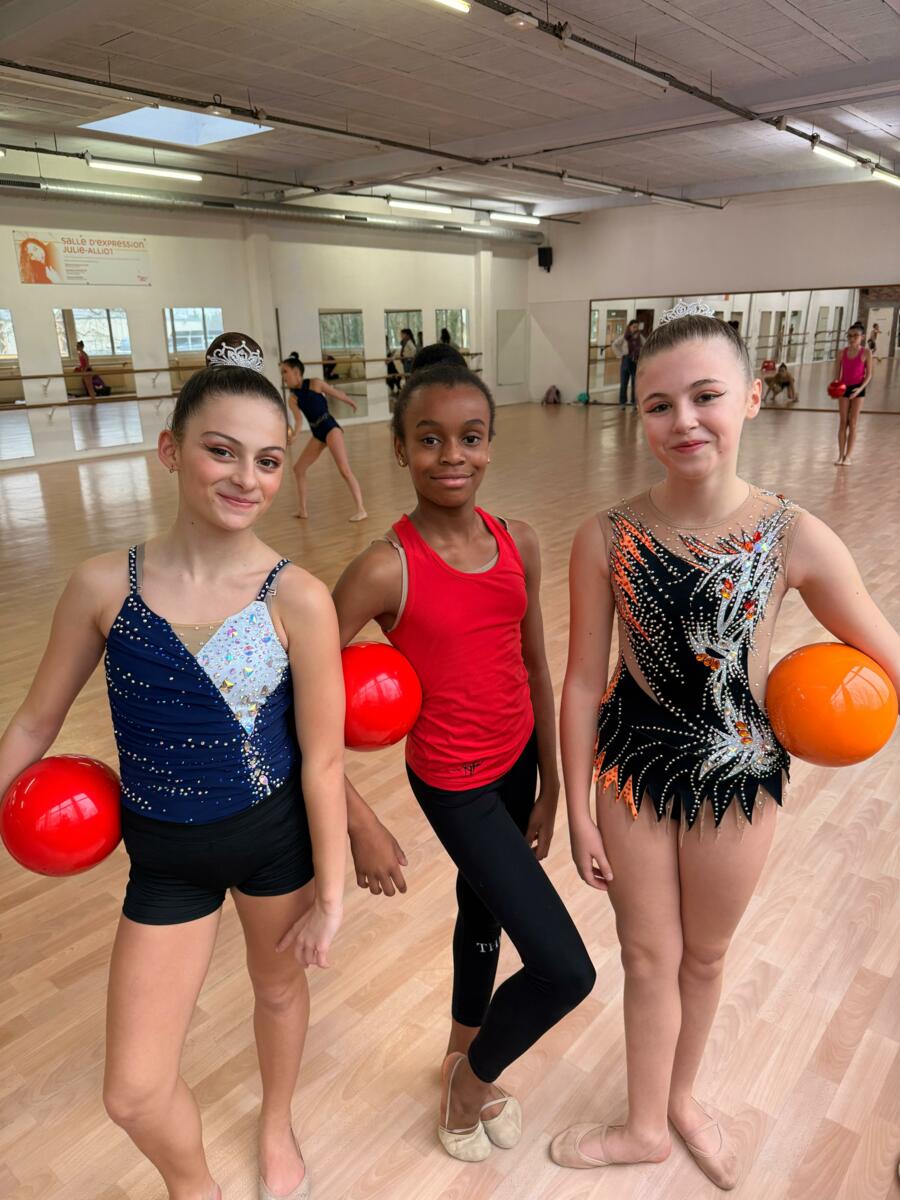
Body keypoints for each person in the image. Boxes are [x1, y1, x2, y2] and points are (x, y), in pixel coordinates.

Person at [552, 308, 900, 1189]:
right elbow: (582, 682)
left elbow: (882, 648)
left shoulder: (792, 535)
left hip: (739, 777)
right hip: (630, 771)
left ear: (751, 397)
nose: (684, 421)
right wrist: (577, 812)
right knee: (646, 955)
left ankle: (681, 1099)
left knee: (704, 956)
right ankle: (642, 1127)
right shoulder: (605, 535)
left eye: (706, 396)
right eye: (659, 404)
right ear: (640, 413)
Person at [0, 332, 347, 1200]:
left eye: (268, 460)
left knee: (277, 992)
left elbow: (324, 761)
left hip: (275, 844)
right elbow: (36, 721)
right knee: (132, 1091)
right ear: (170, 450)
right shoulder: (102, 587)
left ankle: (275, 1120)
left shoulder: (298, 598)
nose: (246, 478)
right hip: (164, 857)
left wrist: (333, 894)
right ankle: (194, 1187)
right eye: (221, 451)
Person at [331, 362, 595, 1164]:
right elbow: (290, 692)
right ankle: (472, 1085)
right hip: (453, 782)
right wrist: (355, 819)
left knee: (483, 915)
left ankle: (456, 1054)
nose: (453, 456)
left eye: (470, 438)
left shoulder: (521, 541)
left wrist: (552, 786)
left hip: (518, 763)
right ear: (401, 449)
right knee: (564, 970)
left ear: (489, 444)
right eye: (430, 439)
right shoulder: (386, 567)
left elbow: (537, 666)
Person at [280, 352, 367, 522]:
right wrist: (295, 435)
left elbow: (336, 393)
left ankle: (361, 509)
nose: (283, 377)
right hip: (317, 433)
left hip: (330, 428)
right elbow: (299, 420)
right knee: (298, 469)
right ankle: (303, 510)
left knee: (344, 470)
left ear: (296, 372)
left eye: (285, 372)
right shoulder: (293, 398)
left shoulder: (315, 384)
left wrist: (350, 401)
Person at [832, 325, 872, 466]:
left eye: (855, 335)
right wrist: (836, 388)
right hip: (844, 388)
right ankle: (840, 455)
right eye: (849, 335)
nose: (852, 338)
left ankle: (848, 456)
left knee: (853, 422)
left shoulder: (866, 352)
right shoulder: (841, 353)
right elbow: (836, 374)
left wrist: (859, 389)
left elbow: (869, 375)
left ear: (862, 337)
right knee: (843, 422)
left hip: (858, 389)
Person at [619, 320, 642, 408]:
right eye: (634, 327)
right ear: (629, 327)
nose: (635, 328)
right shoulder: (624, 337)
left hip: (635, 362)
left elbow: (646, 345)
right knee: (624, 383)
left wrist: (641, 355)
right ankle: (622, 402)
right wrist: (621, 354)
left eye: (637, 327)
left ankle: (634, 402)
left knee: (635, 384)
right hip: (626, 361)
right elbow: (615, 345)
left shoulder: (640, 337)